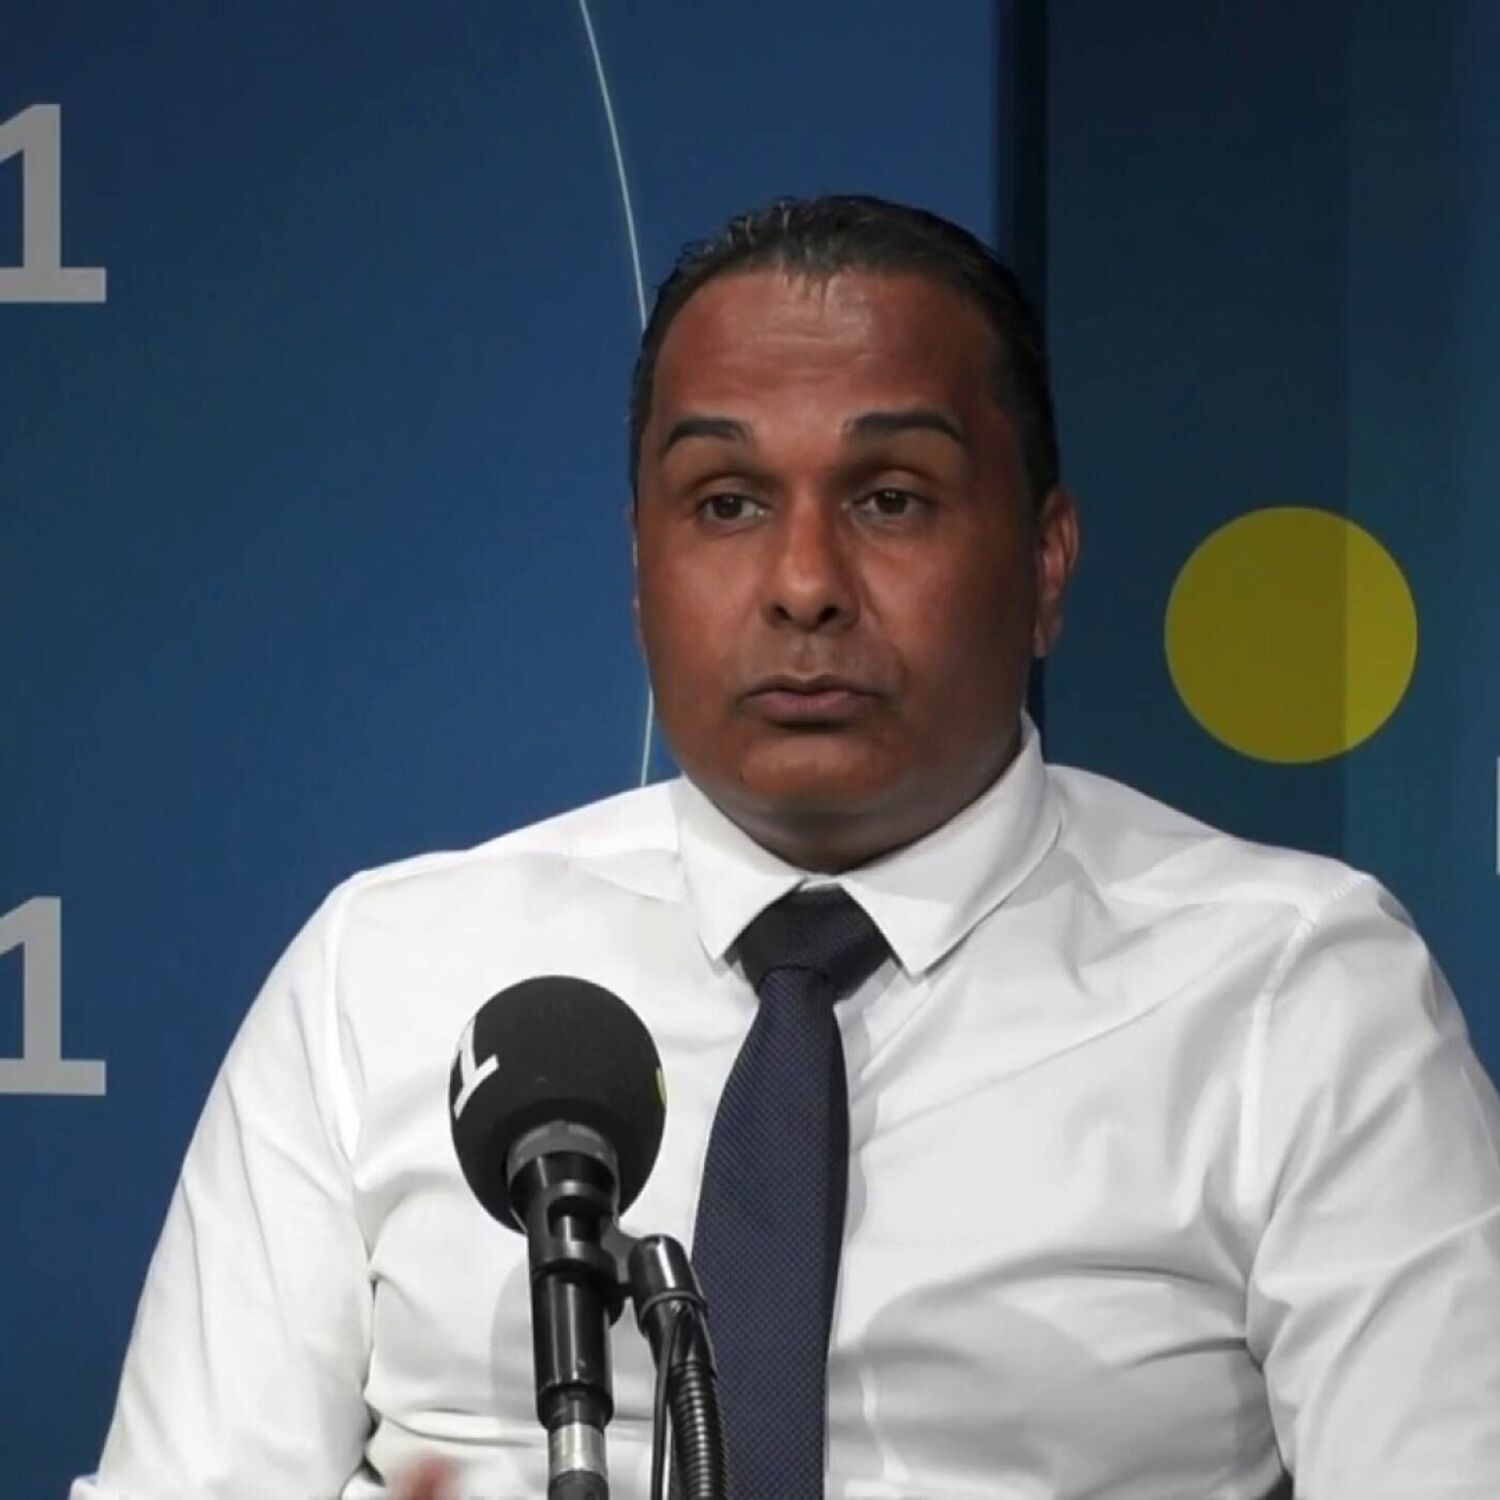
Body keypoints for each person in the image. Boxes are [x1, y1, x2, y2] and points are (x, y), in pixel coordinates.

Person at [73, 195, 1500, 1499]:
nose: (805, 584)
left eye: (892, 499)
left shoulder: (1293, 996)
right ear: (641, 570)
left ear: (1046, 563)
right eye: (728, 504)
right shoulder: (384, 976)